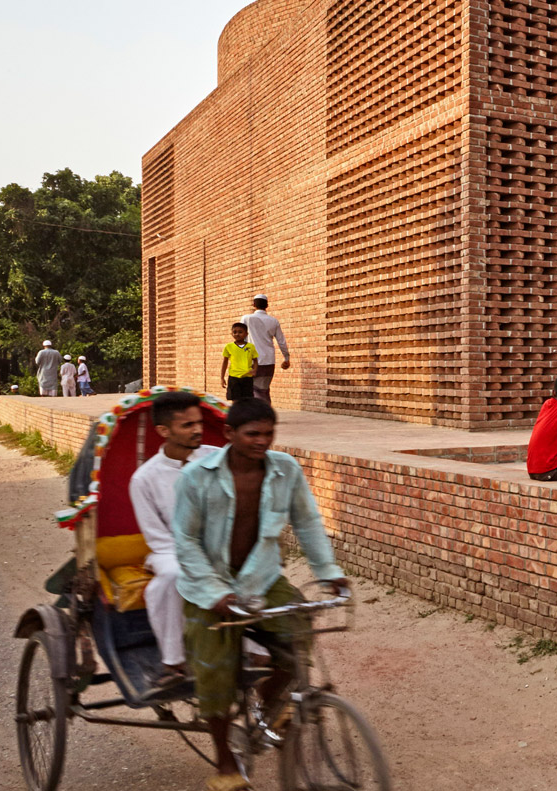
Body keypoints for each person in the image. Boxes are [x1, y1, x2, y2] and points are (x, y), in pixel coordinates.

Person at [172, 397, 348, 791]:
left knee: (299, 630)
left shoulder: (285, 470)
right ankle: (224, 762)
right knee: (215, 675)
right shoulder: (197, 476)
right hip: (209, 585)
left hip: (261, 577)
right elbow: (184, 541)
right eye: (253, 434)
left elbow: (307, 522)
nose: (263, 441)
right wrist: (215, 592)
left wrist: (329, 573)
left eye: (269, 433)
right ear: (230, 434)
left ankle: (270, 710)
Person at [130, 392, 223, 688]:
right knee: (172, 577)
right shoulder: (144, 478)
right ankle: (174, 662)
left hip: (219, 545)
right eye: (187, 425)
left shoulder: (217, 459)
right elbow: (157, 538)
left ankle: (256, 653)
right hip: (171, 551)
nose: (197, 430)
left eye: (198, 423)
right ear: (163, 431)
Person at [240, 295, 292, 405]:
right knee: (263, 389)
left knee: (254, 390)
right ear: (267, 306)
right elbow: (281, 341)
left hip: (251, 360)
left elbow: (241, 339)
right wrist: (286, 358)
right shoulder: (273, 321)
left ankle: (262, 415)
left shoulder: (246, 319)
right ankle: (265, 414)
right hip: (268, 360)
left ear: (254, 305)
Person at [219, 322, 259, 403]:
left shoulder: (250, 347)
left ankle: (246, 414)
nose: (237, 334)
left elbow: (255, 360)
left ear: (246, 334)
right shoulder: (229, 347)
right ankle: (237, 415)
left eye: (240, 332)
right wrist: (222, 378)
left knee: (247, 400)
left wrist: (254, 370)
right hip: (234, 377)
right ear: (231, 333)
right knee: (235, 400)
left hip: (247, 377)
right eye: (235, 332)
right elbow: (225, 362)